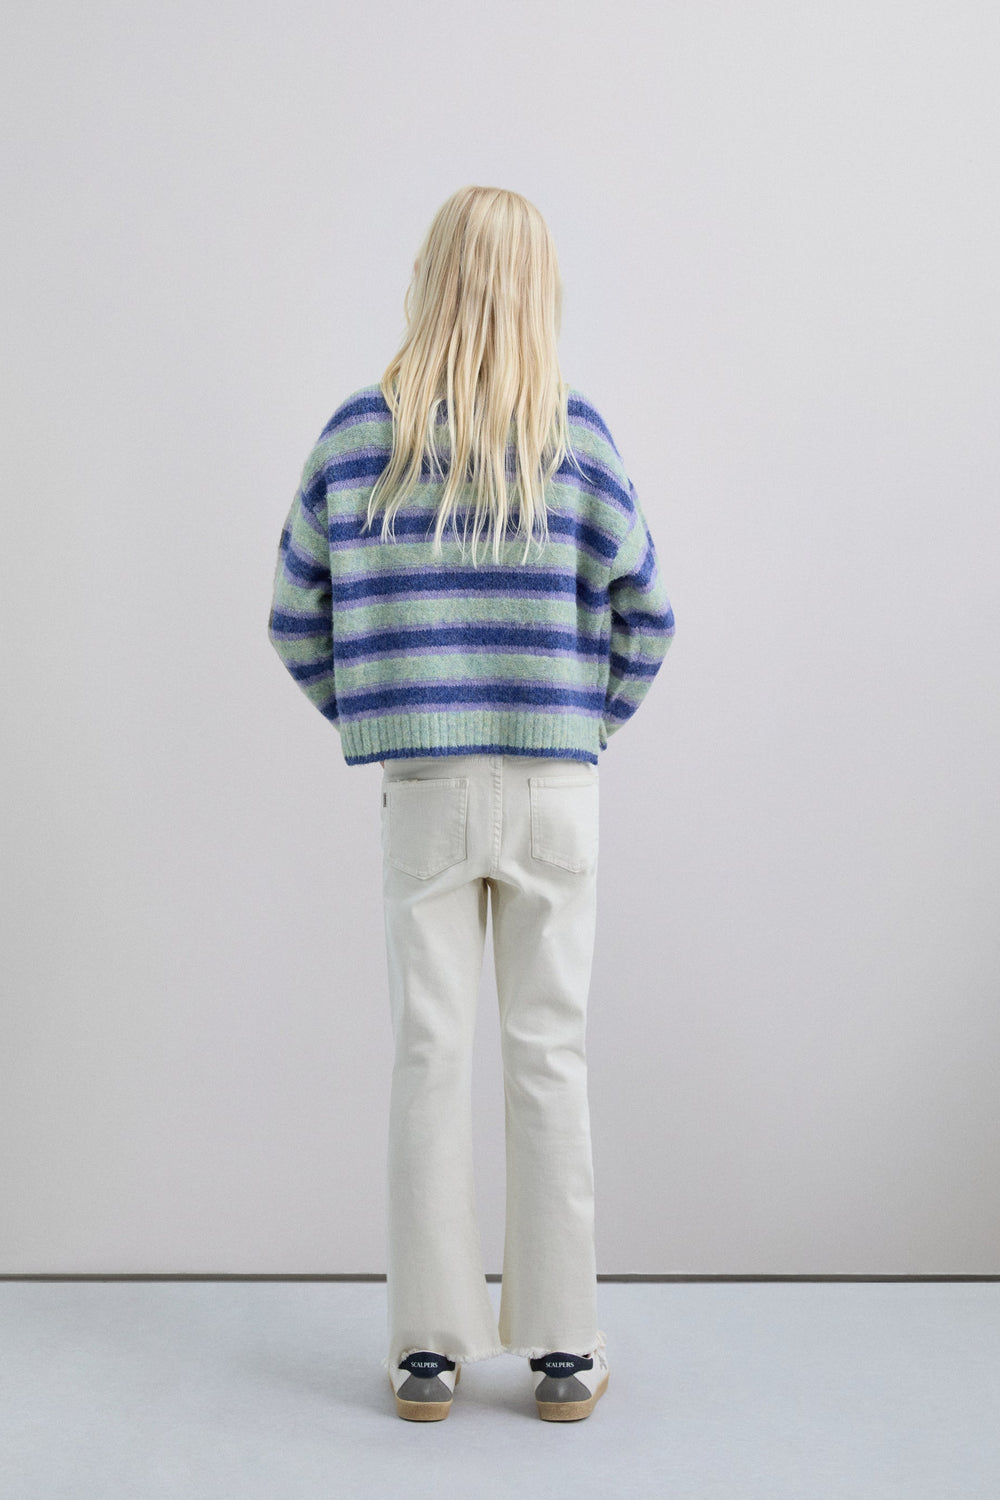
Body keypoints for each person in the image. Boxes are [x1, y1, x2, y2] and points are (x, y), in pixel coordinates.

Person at [268, 185, 675, 1422]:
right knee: (548, 1057)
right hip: (555, 787)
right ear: (539, 287)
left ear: (430, 275)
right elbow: (649, 616)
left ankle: (427, 1356)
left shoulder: (360, 437)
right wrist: (580, 723)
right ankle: (562, 1353)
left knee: (429, 1058)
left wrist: (384, 714)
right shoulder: (574, 436)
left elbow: (293, 616)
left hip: (426, 789)